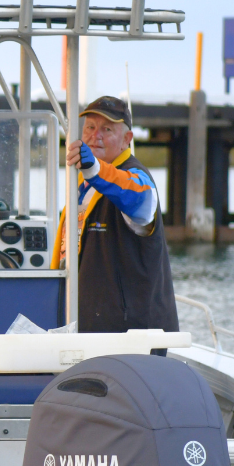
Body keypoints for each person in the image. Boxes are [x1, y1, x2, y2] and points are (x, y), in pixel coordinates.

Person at [55, 95, 180, 336]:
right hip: (87, 330)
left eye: (107, 129)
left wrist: (94, 169)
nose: (95, 135)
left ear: (127, 140)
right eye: (90, 127)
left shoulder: (137, 176)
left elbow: (140, 198)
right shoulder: (83, 184)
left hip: (129, 337)